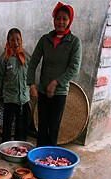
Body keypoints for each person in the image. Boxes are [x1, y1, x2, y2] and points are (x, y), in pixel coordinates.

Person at [27, 2, 82, 147]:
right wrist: (32, 85)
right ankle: (38, 159)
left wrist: (56, 82)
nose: (61, 22)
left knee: (53, 128)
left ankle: (49, 161)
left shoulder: (74, 42)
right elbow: (33, 63)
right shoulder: (45, 39)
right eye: (58, 18)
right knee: (41, 127)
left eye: (65, 19)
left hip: (59, 93)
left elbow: (74, 68)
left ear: (70, 21)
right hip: (43, 91)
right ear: (54, 19)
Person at [0, 28, 31, 143]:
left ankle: (20, 144)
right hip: (10, 97)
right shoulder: (5, 58)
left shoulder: (26, 56)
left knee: (22, 123)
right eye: (12, 40)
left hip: (24, 97)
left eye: (18, 39)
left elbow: (31, 74)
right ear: (8, 41)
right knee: (8, 123)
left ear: (21, 40)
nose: (16, 43)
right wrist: (3, 91)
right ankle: (6, 145)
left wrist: (29, 89)